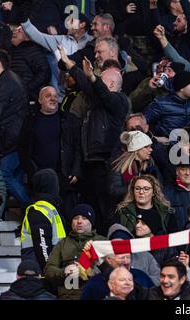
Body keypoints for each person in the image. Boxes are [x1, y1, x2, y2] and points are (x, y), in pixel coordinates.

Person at [59, 45, 129, 235]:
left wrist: (91, 77)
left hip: (107, 165)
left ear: (113, 85)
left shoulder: (120, 101)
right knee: (92, 212)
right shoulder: (96, 99)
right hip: (90, 164)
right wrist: (69, 64)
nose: (95, 83)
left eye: (100, 80)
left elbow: (102, 92)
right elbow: (85, 82)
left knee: (106, 213)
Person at [18, 86, 82, 216]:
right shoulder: (30, 120)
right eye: (48, 96)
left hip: (64, 177)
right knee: (42, 216)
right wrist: (32, 172)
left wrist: (76, 170)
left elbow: (78, 147)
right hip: (39, 177)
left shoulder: (68, 119)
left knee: (64, 216)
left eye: (55, 95)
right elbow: (23, 149)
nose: (53, 98)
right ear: (40, 100)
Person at [44, 204, 107, 300]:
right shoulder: (62, 244)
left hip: (97, 295)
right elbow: (48, 270)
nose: (79, 221)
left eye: (84, 218)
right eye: (76, 218)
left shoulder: (102, 242)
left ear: (91, 222)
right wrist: (64, 271)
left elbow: (115, 270)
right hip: (69, 296)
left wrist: (91, 271)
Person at [0, 49, 30, 210]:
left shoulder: (5, 84)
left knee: (4, 176)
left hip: (11, 141)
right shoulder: (11, 79)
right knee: (13, 179)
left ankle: (30, 208)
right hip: (18, 139)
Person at [20, 169, 66, 271]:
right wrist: (48, 271)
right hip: (39, 271)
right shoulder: (39, 210)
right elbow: (43, 247)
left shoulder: (50, 208)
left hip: (49, 267)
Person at [144, 70, 190, 138]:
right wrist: (155, 139)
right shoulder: (160, 104)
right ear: (181, 88)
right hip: (167, 146)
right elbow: (142, 123)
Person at [110, 131, 156, 207]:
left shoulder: (150, 165)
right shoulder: (118, 166)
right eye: (146, 147)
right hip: (125, 209)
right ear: (136, 149)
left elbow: (158, 187)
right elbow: (114, 191)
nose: (151, 149)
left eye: (150, 146)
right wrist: (135, 187)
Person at [9, 25, 51, 101]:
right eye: (14, 30)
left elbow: (45, 72)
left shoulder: (32, 49)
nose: (14, 32)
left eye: (19, 31)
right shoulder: (10, 50)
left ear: (28, 36)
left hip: (28, 98)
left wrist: (26, 88)